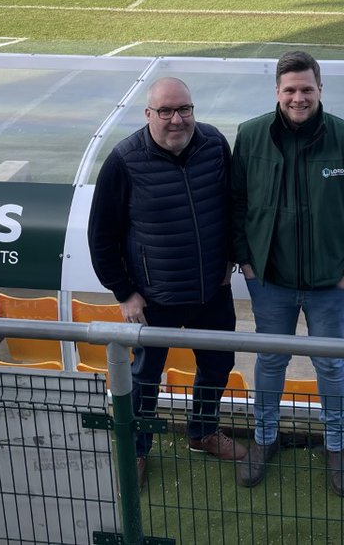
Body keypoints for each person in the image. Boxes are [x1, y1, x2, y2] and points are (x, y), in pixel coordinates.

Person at [232, 50, 344, 497]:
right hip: (270, 282)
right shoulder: (251, 135)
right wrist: (247, 261)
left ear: (320, 89)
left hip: (330, 285)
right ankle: (264, 438)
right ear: (277, 92)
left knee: (330, 363)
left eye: (306, 89)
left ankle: (336, 445)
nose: (298, 98)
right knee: (269, 361)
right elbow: (236, 203)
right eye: (290, 90)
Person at [88, 77, 246, 489]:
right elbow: (101, 236)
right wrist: (124, 292)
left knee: (217, 366)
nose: (177, 119)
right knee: (143, 379)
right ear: (148, 115)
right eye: (166, 111)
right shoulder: (123, 161)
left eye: (185, 109)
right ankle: (137, 450)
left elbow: (231, 206)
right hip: (152, 297)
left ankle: (202, 431)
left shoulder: (214, 144)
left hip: (212, 291)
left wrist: (230, 257)